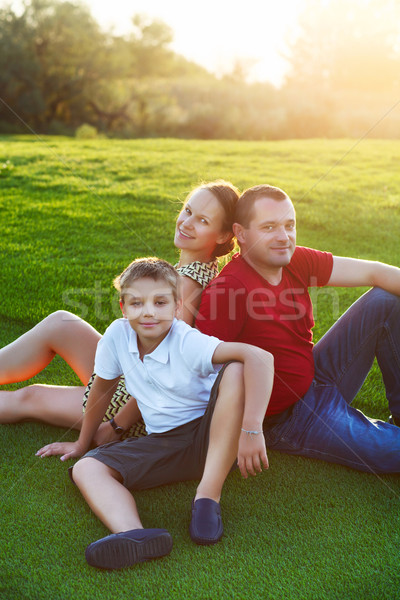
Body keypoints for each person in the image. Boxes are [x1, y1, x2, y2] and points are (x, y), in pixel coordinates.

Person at [40, 257, 274, 569]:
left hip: (215, 436)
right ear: (123, 308)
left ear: (177, 307)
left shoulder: (186, 341)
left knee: (234, 368)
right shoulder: (117, 336)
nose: (148, 311)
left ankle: (207, 497)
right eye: (136, 303)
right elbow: (102, 389)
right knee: (86, 469)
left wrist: (252, 428)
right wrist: (83, 443)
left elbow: (259, 357)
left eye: (160, 302)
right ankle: (135, 535)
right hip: (166, 443)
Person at [0, 180, 239, 448]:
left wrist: (115, 427)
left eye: (203, 220)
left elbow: (161, 371)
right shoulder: (198, 269)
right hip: (127, 369)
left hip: (129, 403)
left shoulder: (187, 285)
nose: (186, 223)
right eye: (187, 210)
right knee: (61, 323)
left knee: (30, 397)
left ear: (222, 236)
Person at [196, 184, 400, 474]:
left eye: (289, 225)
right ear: (241, 233)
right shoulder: (228, 290)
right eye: (269, 227)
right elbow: (202, 370)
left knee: (386, 301)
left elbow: (374, 272)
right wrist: (248, 428)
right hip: (290, 416)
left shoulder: (294, 259)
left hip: (317, 373)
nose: (284, 237)